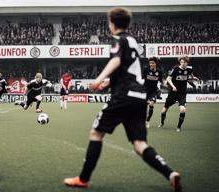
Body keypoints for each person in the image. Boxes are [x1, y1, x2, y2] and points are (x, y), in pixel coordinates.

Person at [63, 7, 181, 192]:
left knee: (96, 133)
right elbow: (128, 70)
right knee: (139, 144)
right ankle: (170, 174)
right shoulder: (132, 40)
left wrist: (98, 80)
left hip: (124, 96)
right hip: (139, 96)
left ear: (112, 23)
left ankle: (83, 179)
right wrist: (110, 82)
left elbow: (116, 61)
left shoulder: (118, 39)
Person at [159, 55, 198, 132]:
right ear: (180, 62)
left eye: (184, 62)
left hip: (182, 93)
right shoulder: (176, 69)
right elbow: (168, 78)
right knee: (163, 111)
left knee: (183, 110)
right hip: (173, 93)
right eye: (181, 62)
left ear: (187, 62)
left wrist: (194, 78)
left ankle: (178, 127)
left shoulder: (190, 69)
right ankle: (162, 122)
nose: (183, 63)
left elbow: (190, 76)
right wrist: (173, 86)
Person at [143, 57, 163, 128]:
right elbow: (141, 79)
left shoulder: (159, 72)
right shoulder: (146, 70)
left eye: (153, 63)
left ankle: (147, 121)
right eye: (150, 63)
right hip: (144, 90)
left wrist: (167, 84)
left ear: (156, 63)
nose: (151, 64)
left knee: (151, 104)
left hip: (153, 91)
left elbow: (161, 81)